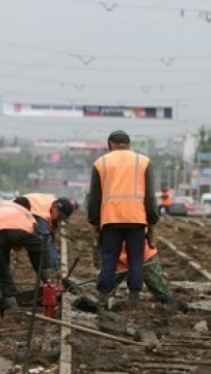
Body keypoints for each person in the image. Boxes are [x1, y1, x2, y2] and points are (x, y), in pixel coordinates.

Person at [87, 129, 159, 308]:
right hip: (136, 219)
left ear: (110, 143)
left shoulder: (101, 163)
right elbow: (150, 196)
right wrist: (152, 220)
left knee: (109, 260)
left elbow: (94, 197)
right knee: (136, 259)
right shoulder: (142, 162)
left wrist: (94, 221)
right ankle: (134, 298)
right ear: (129, 144)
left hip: (110, 219)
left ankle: (103, 298)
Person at [0, 197, 51, 310]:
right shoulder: (26, 212)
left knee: (3, 269)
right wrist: (42, 270)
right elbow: (37, 241)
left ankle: (10, 299)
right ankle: (51, 285)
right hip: (23, 233)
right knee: (39, 253)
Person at [112, 239, 174, 304]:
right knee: (107, 284)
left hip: (136, 251)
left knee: (106, 283)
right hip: (125, 252)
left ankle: (169, 302)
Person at [23, 192, 74, 270]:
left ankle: (48, 275)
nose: (59, 220)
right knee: (43, 243)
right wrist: (53, 270)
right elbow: (45, 242)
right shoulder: (41, 214)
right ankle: (49, 275)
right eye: (59, 216)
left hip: (19, 213)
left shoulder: (51, 203)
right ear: (55, 207)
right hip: (10, 217)